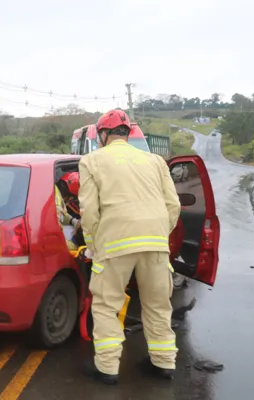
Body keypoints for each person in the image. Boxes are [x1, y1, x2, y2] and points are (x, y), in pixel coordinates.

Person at [78, 109, 181, 385]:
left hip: (115, 242)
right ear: (128, 134)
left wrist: (93, 245)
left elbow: (89, 212)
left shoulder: (92, 161)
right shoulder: (155, 161)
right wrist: (159, 234)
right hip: (156, 243)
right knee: (158, 305)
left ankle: (108, 368)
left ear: (103, 134)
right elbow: (174, 205)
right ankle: (164, 362)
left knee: (105, 306)